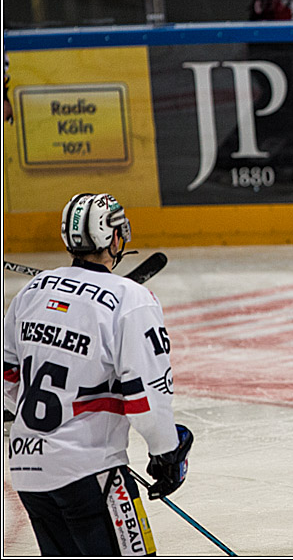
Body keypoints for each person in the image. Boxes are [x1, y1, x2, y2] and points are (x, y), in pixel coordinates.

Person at [3, 193, 192, 556]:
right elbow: (147, 396)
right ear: (112, 237)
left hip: (28, 471)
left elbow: (7, 376)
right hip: (92, 472)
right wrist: (167, 452)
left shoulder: (31, 292)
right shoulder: (131, 299)